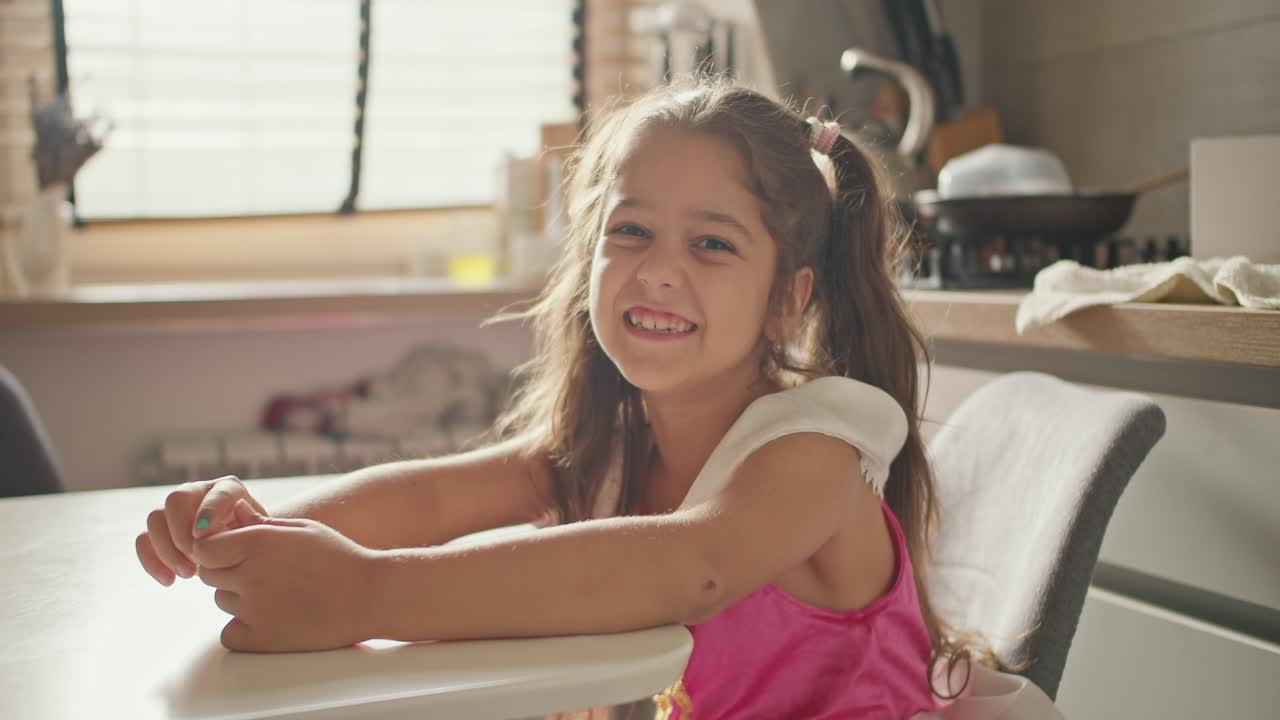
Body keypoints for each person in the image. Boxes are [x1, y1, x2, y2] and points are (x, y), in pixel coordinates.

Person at [135, 77, 973, 718]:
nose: (659, 270)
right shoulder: (609, 441)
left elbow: (692, 567)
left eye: (713, 243)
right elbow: (434, 497)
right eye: (631, 231)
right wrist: (256, 536)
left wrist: (361, 594)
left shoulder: (815, 449)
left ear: (787, 300)